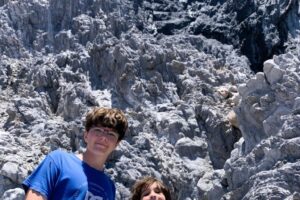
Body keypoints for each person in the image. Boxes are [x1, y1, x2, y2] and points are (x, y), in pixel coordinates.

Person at [22, 107, 128, 200]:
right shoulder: (58, 161)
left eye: (111, 134)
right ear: (86, 135)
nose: (103, 138)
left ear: (117, 144)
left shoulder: (109, 186)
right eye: (98, 130)